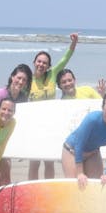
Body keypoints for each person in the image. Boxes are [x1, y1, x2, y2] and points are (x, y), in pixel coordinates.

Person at [28, 32, 78, 180]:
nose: (41, 64)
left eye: (45, 62)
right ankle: (33, 189)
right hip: (34, 124)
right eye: (39, 61)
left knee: (49, 160)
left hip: (50, 122)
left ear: (49, 66)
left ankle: (48, 189)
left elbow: (65, 58)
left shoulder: (52, 74)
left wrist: (74, 43)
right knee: (34, 161)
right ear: (34, 62)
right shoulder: (27, 80)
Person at [0, 64, 32, 185]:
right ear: (12, 77)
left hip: (4, 140)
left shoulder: (22, 97)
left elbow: (19, 122)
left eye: (24, 80)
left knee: (4, 176)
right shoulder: (0, 94)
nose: (20, 81)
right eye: (18, 78)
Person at [62, 93, 106, 189]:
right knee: (74, 187)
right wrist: (80, 173)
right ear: (102, 107)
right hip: (72, 151)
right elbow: (79, 144)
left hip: (92, 153)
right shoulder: (92, 119)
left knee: (95, 187)